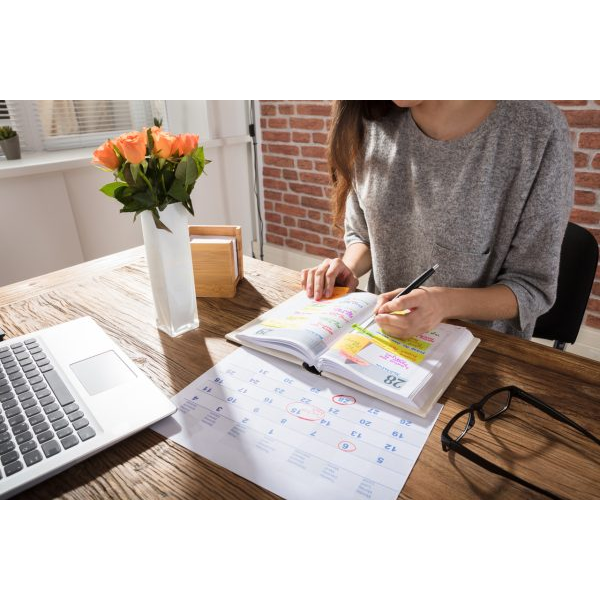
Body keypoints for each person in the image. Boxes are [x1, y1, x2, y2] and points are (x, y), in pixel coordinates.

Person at [301, 101, 574, 339]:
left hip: (478, 354)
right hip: (380, 338)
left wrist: (443, 303)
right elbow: (363, 236)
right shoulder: (371, 121)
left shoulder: (536, 130)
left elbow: (531, 287)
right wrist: (347, 268)